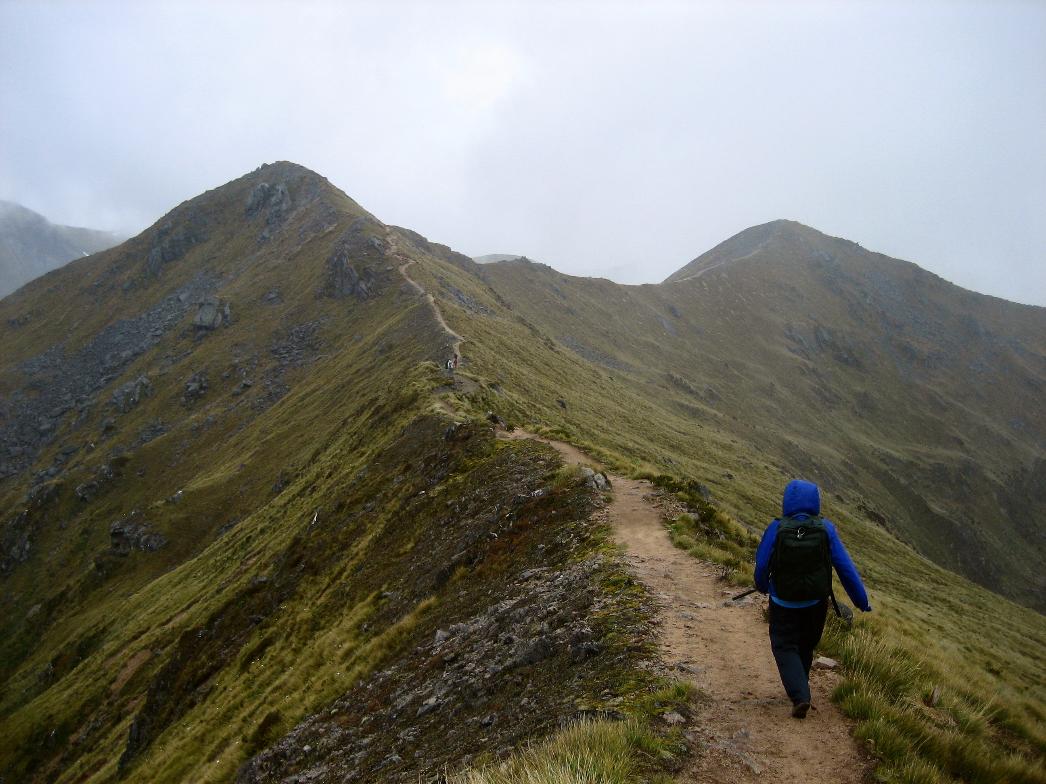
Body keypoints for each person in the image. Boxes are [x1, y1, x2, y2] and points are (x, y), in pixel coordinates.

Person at [754, 479, 871, 718]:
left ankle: (800, 696)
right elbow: (845, 568)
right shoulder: (826, 529)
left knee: (785, 645)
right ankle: (801, 684)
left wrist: (762, 586)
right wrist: (861, 601)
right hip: (816, 604)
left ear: (786, 501)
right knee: (806, 644)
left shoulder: (776, 528)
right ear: (816, 501)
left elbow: (762, 563)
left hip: (783, 602)